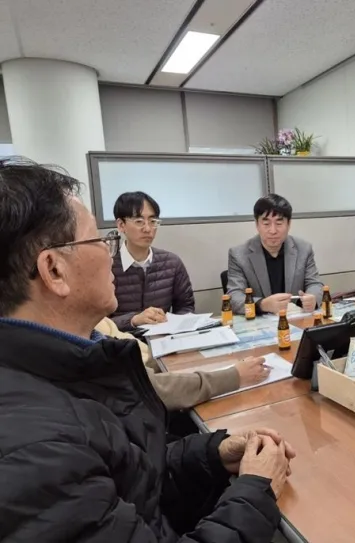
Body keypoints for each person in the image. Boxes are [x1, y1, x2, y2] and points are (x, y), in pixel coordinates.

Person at [0, 158, 294, 541]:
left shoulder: (69, 367)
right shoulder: (39, 449)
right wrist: (256, 490)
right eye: (99, 240)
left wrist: (212, 454)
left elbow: (131, 474)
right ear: (54, 270)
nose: (109, 252)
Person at [95, 316, 270, 411]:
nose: (113, 275)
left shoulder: (101, 324)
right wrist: (234, 376)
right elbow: (152, 387)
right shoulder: (92, 346)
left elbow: (146, 358)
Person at [110, 191, 195, 332]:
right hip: (119, 342)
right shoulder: (107, 267)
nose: (148, 229)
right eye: (139, 221)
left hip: (163, 339)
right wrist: (133, 320)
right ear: (121, 225)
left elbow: (186, 307)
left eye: (153, 221)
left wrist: (171, 324)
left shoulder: (172, 263)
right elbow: (96, 323)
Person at [228, 194, 323, 315]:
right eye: (266, 223)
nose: (273, 231)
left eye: (279, 223)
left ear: (289, 224)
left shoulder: (303, 249)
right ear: (257, 224)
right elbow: (234, 296)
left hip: (295, 318)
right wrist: (262, 305)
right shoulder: (238, 254)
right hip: (260, 322)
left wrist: (312, 298)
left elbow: (315, 284)